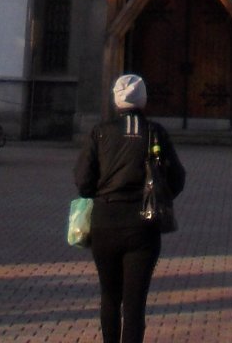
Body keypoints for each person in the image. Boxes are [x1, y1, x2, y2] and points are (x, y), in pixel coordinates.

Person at [74, 73, 186, 343]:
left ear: (115, 99)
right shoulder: (155, 132)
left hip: (105, 222)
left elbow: (83, 180)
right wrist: (159, 196)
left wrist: (100, 194)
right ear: (143, 99)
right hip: (142, 225)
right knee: (135, 303)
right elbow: (177, 178)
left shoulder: (100, 132)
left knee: (110, 296)